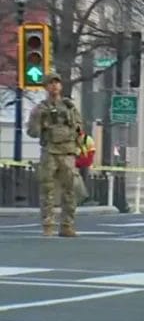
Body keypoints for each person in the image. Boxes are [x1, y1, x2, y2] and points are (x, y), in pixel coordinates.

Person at [26, 72, 84, 237]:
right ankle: (48, 225)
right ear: (46, 87)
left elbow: (79, 128)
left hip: (67, 153)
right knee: (47, 190)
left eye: (57, 82)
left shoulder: (69, 107)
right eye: (51, 83)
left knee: (70, 191)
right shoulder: (40, 109)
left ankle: (67, 225)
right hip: (50, 152)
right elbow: (32, 132)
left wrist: (79, 142)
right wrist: (40, 121)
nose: (54, 86)